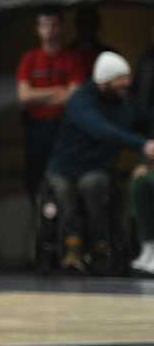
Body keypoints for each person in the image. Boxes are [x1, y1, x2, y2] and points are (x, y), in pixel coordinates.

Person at [44, 52, 152, 274]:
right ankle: (71, 251)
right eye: (121, 78)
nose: (127, 82)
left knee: (93, 186)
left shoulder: (125, 103)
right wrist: (141, 144)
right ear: (104, 82)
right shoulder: (80, 101)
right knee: (64, 195)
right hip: (64, 168)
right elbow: (100, 129)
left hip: (97, 168)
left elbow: (147, 121)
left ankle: (101, 248)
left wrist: (145, 155)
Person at [16, 9, 89, 200]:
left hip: (64, 126)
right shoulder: (29, 58)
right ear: (38, 29)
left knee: (66, 176)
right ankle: (38, 212)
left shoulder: (73, 58)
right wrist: (59, 90)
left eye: (54, 25)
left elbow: (75, 96)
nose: (49, 30)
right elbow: (24, 97)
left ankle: (67, 215)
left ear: (62, 28)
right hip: (36, 127)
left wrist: (38, 95)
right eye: (45, 25)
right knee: (35, 175)